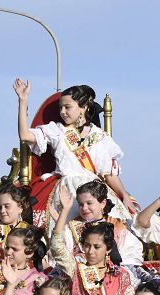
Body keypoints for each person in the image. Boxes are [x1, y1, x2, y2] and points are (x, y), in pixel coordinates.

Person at [15, 79, 139, 229]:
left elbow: (108, 174)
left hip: (94, 189)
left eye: (67, 107)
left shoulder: (100, 136)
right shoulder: (57, 130)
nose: (62, 112)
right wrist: (23, 100)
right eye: (60, 108)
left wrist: (124, 196)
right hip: (65, 189)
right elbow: (25, 135)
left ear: (83, 108)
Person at [50, 185, 136, 295]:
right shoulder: (76, 269)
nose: (90, 251)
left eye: (96, 247)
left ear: (108, 248)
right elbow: (57, 247)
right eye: (87, 246)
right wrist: (65, 211)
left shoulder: (120, 274)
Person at [59, 180, 144, 268]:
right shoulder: (71, 228)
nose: (84, 208)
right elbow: (63, 253)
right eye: (81, 204)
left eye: (89, 203)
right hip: (82, 273)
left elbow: (132, 251)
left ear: (102, 203)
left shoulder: (116, 225)